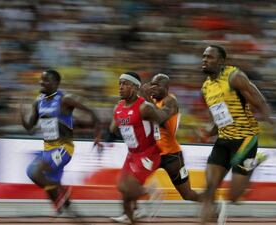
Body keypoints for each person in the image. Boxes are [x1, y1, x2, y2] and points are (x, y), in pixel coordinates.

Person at [111, 73, 201, 223]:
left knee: (187, 194)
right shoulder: (150, 102)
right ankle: (133, 211)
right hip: (152, 150)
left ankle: (211, 202)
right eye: (151, 84)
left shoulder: (170, 102)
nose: (152, 88)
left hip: (170, 154)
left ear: (166, 88)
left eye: (157, 85)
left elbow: (161, 119)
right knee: (130, 183)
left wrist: (144, 100)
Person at [199, 45, 270, 224]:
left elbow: (259, 99)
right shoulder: (206, 88)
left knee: (233, 197)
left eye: (210, 57)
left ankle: (253, 163)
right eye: (204, 56)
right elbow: (216, 119)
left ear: (221, 61)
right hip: (223, 140)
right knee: (209, 190)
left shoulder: (234, 76)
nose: (205, 60)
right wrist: (208, 131)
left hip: (245, 139)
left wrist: (268, 118)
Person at [20, 69, 101, 213]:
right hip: (48, 150)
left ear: (56, 83)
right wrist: (21, 112)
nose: (41, 82)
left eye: (46, 80)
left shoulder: (65, 99)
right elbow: (29, 128)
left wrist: (97, 135)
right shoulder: (38, 102)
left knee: (34, 172)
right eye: (41, 79)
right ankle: (66, 203)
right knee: (53, 190)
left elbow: (92, 111)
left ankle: (62, 193)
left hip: (64, 149)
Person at [108, 72, 170, 225]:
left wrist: (158, 131)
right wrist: (110, 134)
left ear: (135, 88)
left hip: (148, 153)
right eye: (120, 83)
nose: (121, 87)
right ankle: (131, 217)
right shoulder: (118, 107)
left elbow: (162, 120)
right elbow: (113, 128)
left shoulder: (144, 107)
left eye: (125, 84)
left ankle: (152, 192)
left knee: (127, 187)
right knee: (123, 189)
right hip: (132, 154)